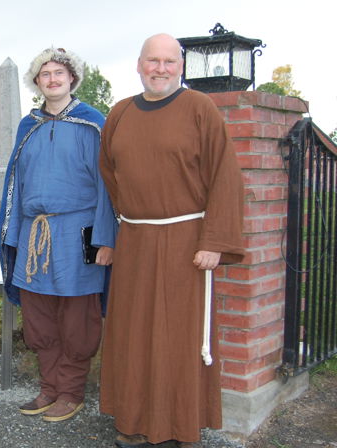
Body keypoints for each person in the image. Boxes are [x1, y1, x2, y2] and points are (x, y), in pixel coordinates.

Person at [98, 34, 245, 447]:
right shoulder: (120, 113)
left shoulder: (200, 108)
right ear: (139, 64)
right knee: (133, 334)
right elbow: (110, 174)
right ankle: (132, 420)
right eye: (153, 61)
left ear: (180, 66)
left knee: (178, 337)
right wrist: (132, 220)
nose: (160, 69)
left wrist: (213, 240)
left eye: (169, 61)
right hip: (137, 240)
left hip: (187, 243)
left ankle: (179, 426)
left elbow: (224, 176)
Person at [0, 47, 117, 423]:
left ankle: (70, 392)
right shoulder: (27, 125)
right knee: (39, 316)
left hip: (79, 230)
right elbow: (16, 185)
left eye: (59, 73)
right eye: (45, 74)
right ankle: (49, 388)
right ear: (37, 82)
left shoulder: (93, 123)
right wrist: (14, 234)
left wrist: (105, 238)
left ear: (71, 79)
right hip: (34, 231)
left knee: (78, 317)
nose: (52, 79)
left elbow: (107, 186)